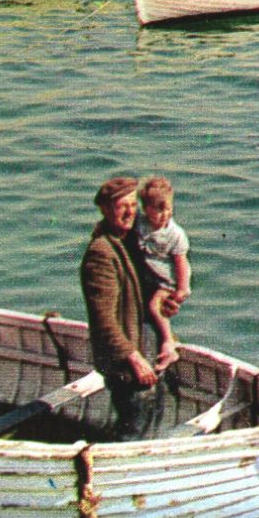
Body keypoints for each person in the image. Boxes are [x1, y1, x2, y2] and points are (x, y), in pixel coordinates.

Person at [80, 176, 175, 440]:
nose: (129, 212)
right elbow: (103, 321)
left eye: (133, 205)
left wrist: (167, 311)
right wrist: (133, 358)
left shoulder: (133, 242)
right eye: (122, 206)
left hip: (147, 349)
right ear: (105, 209)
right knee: (134, 432)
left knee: (151, 423)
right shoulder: (102, 253)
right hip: (128, 363)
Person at [131, 176, 191, 329]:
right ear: (146, 209)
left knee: (155, 306)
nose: (165, 214)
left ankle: (167, 338)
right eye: (159, 209)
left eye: (168, 208)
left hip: (166, 280)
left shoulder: (175, 234)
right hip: (148, 274)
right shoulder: (141, 222)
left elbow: (181, 262)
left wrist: (182, 288)